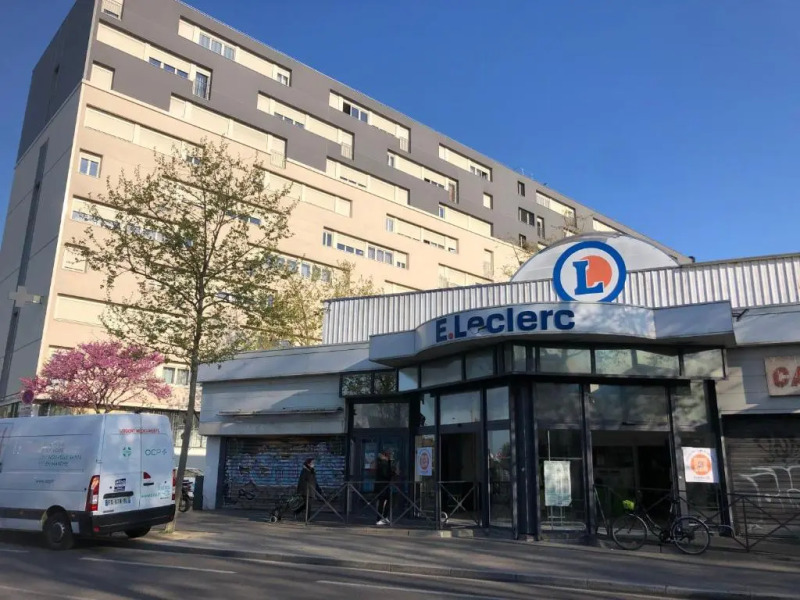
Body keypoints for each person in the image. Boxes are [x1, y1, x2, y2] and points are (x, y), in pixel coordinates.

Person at [375, 449, 395, 525]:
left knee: (386, 501)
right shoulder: (383, 463)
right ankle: (380, 518)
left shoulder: (384, 462)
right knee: (382, 502)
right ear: (387, 455)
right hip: (382, 486)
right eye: (390, 455)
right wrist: (393, 473)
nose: (391, 457)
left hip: (383, 486)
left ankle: (384, 517)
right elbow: (386, 474)